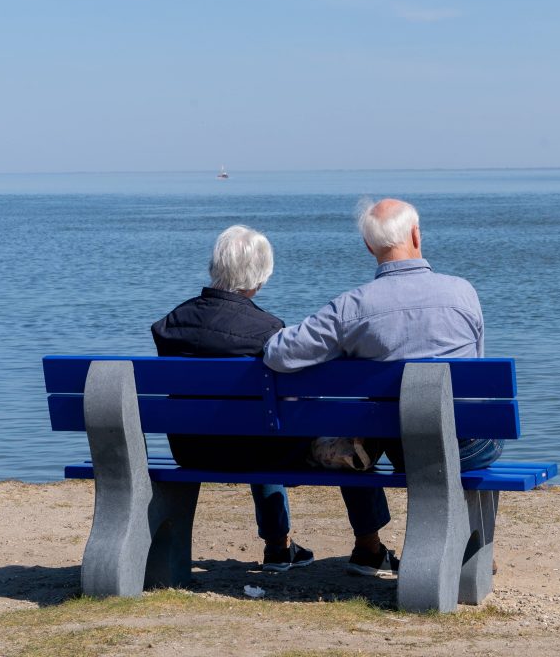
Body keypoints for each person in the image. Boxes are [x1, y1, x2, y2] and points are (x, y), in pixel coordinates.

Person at [263, 199, 505, 573]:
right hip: (465, 447)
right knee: (473, 427)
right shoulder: (463, 293)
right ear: (415, 234)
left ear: (369, 247)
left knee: (355, 430)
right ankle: (470, 551)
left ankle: (368, 545)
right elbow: (477, 370)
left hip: (398, 448)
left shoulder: (350, 308)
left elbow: (279, 354)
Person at [151, 224, 391, 577]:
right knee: (335, 428)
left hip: (190, 450)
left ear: (214, 266)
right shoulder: (268, 331)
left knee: (250, 423)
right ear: (261, 276)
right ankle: (368, 548)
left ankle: (279, 547)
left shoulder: (170, 325)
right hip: (260, 450)